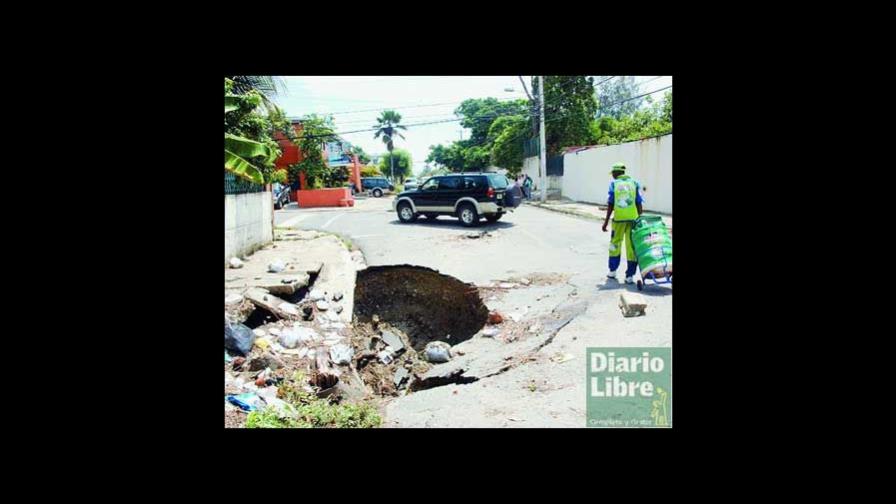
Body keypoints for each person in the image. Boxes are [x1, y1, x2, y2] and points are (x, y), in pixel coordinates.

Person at [601, 162, 643, 283]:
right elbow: (638, 202)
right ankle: (629, 276)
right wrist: (640, 219)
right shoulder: (634, 183)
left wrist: (606, 221)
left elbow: (611, 203)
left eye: (613, 173)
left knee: (615, 244)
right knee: (631, 247)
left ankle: (612, 271)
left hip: (619, 220)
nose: (612, 176)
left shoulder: (614, 184)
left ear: (615, 173)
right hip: (633, 220)